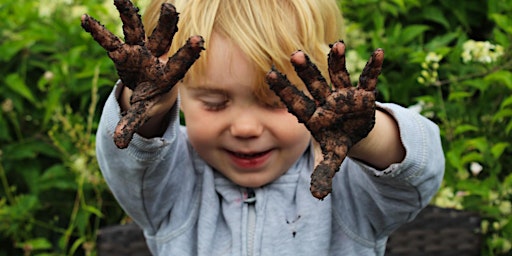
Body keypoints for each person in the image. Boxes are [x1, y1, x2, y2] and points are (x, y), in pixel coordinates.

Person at [86, 0, 444, 255]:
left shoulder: (349, 188)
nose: (245, 127)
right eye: (214, 102)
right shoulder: (168, 187)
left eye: (278, 103)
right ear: (178, 95)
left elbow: (417, 177)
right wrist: (143, 103)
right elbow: (127, 158)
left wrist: (365, 135)